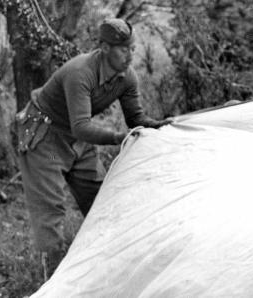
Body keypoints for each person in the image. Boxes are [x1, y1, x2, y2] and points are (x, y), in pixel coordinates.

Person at [15, 18, 172, 279]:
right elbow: (81, 126)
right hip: (47, 140)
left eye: (132, 48)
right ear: (105, 48)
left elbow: (136, 119)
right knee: (51, 206)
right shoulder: (81, 73)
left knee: (101, 199)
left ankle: (107, 272)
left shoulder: (127, 77)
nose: (130, 55)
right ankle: (52, 282)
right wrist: (119, 137)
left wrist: (158, 126)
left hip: (79, 142)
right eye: (124, 49)